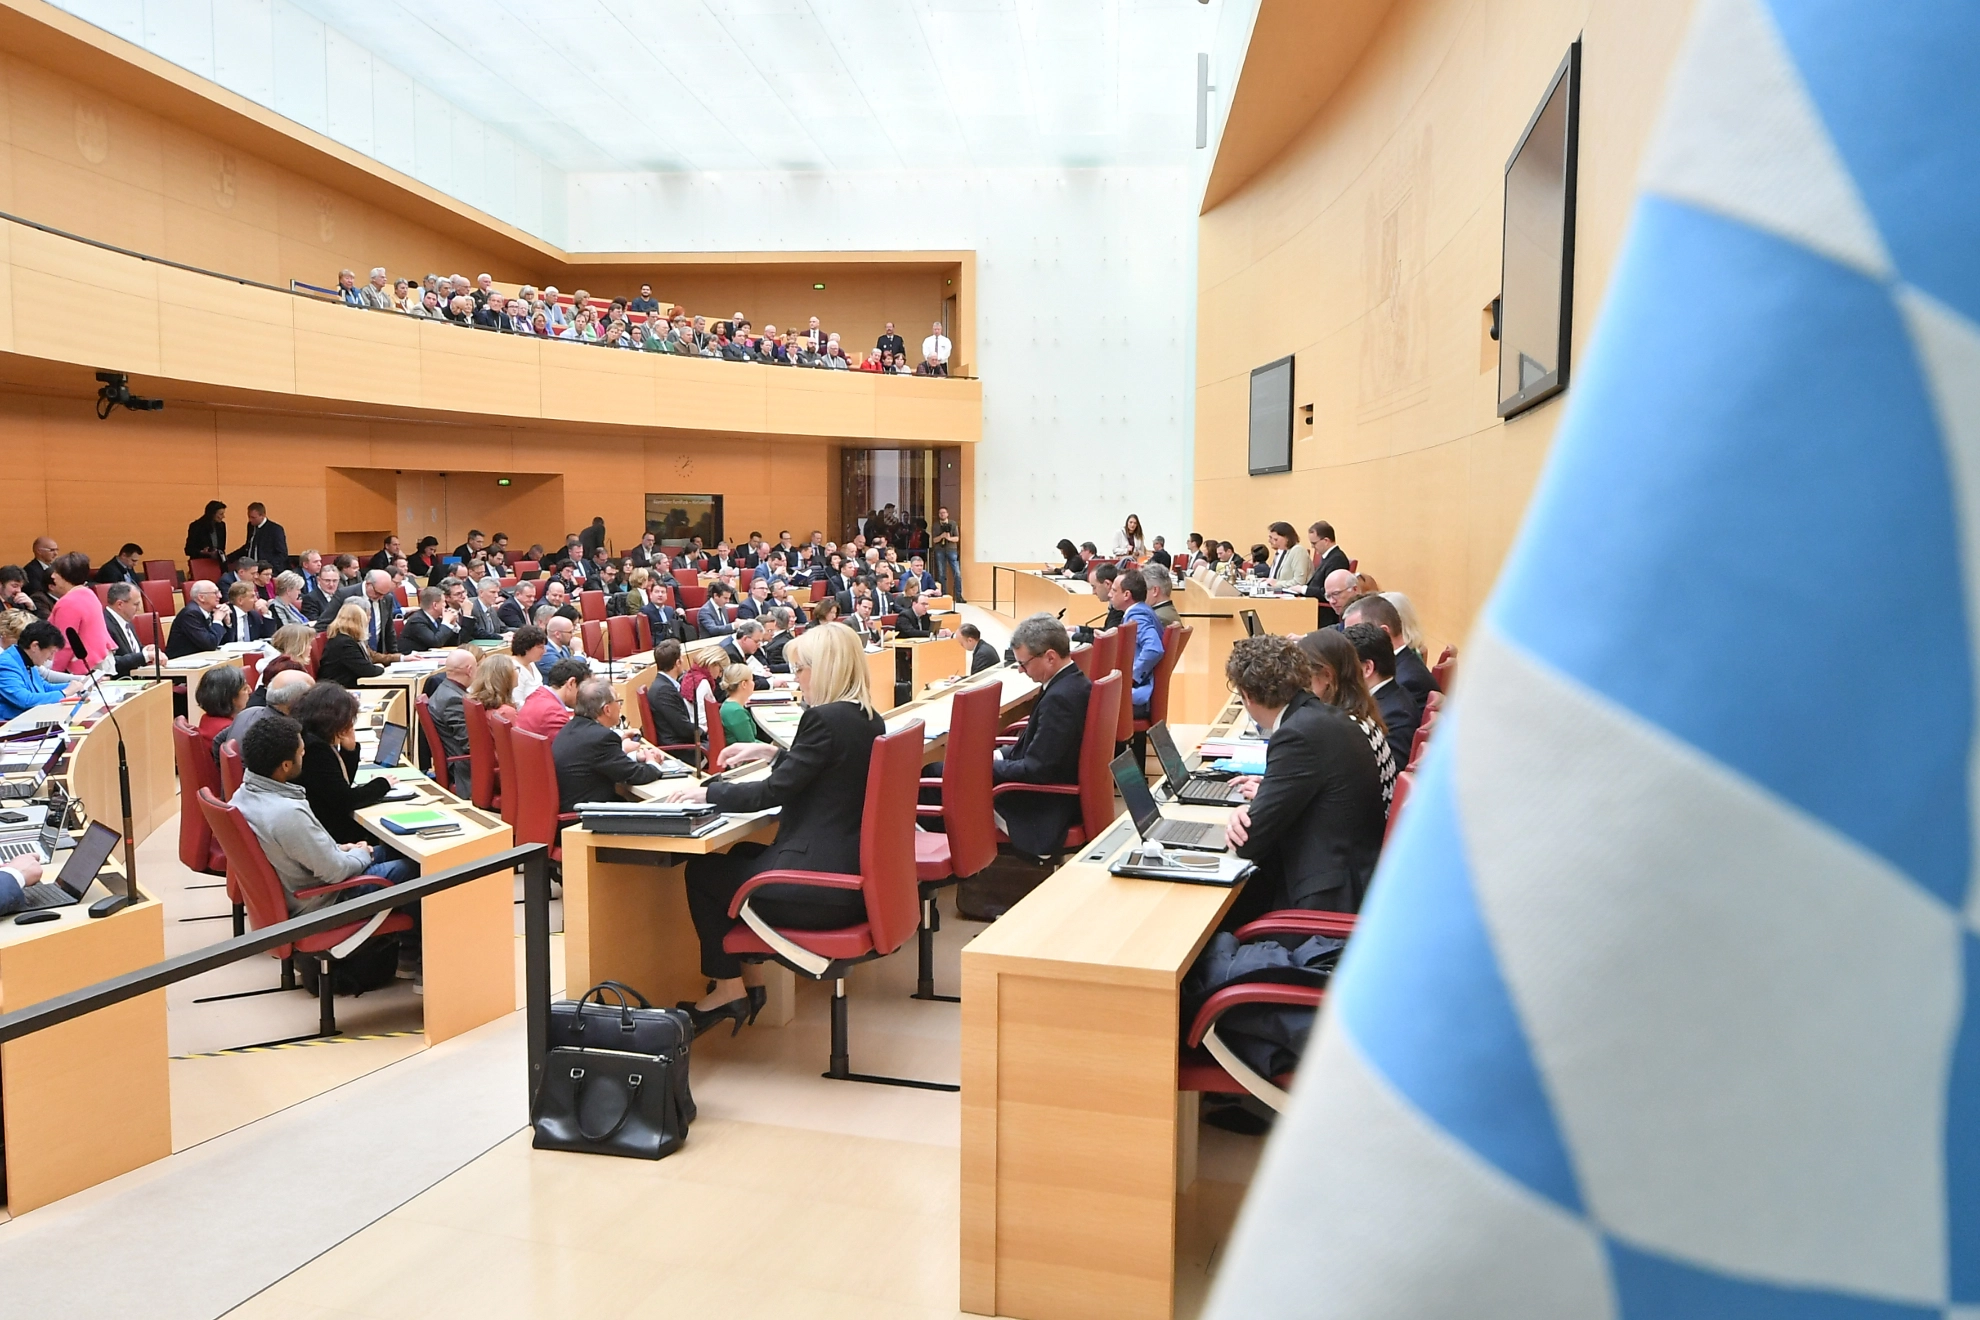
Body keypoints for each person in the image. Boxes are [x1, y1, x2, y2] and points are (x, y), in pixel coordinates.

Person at [665, 625, 887, 1035]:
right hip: (848, 876)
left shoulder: (822, 718)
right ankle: (751, 982)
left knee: (702, 872)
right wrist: (772, 751)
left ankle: (729, 988)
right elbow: (824, 770)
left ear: (824, 669)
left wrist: (708, 792)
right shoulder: (867, 718)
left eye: (800, 669)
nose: (797, 678)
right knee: (738, 854)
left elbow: (772, 793)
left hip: (817, 890)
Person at [1220, 636, 1385, 918]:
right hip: (1355, 881)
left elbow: (1249, 841)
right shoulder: (1328, 717)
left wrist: (1243, 814)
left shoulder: (1297, 735)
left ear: (1246, 695)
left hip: (1324, 904)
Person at [232, 714, 417, 920]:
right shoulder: (286, 814)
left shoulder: (242, 795)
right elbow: (336, 872)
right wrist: (363, 853)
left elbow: (301, 851)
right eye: (301, 753)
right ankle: (414, 947)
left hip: (310, 881)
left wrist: (341, 849)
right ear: (286, 765)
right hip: (326, 899)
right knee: (417, 868)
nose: (304, 756)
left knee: (401, 851)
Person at [992, 614, 1093, 858]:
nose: (1020, 670)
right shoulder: (1071, 683)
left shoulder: (1060, 699)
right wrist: (997, 755)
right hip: (1051, 790)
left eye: (1024, 663)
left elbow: (1037, 769)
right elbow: (1037, 746)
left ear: (1050, 657)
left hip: (1042, 803)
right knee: (940, 771)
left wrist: (985, 767)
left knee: (935, 777)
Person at [1297, 628, 1398, 807]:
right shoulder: (1361, 716)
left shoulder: (1341, 729)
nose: (1300, 687)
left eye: (1305, 678)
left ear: (1327, 676)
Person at [551, 677, 666, 812]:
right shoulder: (601, 738)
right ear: (607, 709)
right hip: (585, 816)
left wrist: (635, 757)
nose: (620, 706)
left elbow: (603, 762)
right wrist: (653, 763)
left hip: (576, 806)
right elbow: (636, 775)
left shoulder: (571, 727)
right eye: (618, 702)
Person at [1344, 622, 1419, 771]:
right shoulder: (1391, 696)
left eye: (1345, 665)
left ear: (1367, 668)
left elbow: (1391, 772)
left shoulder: (1395, 714)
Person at [1342, 594, 1439, 707]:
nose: (1348, 640)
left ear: (1384, 632)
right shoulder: (1401, 664)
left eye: (1357, 632)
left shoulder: (1407, 681)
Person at [217, 668, 312, 767]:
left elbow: (218, 743)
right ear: (296, 703)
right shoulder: (282, 734)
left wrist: (228, 775)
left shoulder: (247, 712)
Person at [44, 552, 111, 674]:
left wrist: (54, 673)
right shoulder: (89, 593)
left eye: (56, 572)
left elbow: (65, 643)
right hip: (99, 661)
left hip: (83, 668)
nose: (52, 576)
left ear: (66, 576)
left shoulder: (68, 602)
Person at [1112, 570, 1165, 717]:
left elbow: (1154, 649)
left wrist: (1132, 677)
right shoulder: (1143, 610)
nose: (1110, 594)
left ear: (1127, 595)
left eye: (1114, 590)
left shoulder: (1137, 615)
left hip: (1138, 697)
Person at [0, 620, 79, 719]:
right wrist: (64, 692)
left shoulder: (26, 659)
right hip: (10, 726)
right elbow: (25, 700)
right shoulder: (6, 664)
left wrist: (76, 685)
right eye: (51, 652)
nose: (51, 658)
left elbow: (43, 687)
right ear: (35, 646)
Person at [425, 649, 477, 795]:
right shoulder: (453, 700)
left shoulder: (447, 690)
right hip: (466, 771)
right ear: (469, 670)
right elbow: (471, 745)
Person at [643, 640, 698, 749]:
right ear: (677, 663)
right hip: (679, 748)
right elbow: (683, 729)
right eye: (681, 658)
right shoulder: (663, 691)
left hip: (680, 741)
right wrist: (704, 731)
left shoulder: (663, 685)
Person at [516, 657, 588, 740]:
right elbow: (572, 747)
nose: (586, 695)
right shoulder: (553, 713)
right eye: (584, 688)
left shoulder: (537, 694)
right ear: (571, 683)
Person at [318, 601, 385, 688]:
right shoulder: (345, 644)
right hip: (337, 690)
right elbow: (368, 670)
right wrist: (381, 667)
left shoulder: (342, 639)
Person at [100, 583, 159, 676]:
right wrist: (144, 656)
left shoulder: (126, 620)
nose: (139, 608)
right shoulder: (103, 624)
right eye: (136, 604)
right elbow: (110, 663)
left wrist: (145, 650)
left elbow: (132, 651)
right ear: (120, 604)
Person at [167, 580, 230, 659]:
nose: (220, 596)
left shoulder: (210, 611)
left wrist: (227, 622)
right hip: (182, 662)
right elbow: (210, 644)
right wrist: (217, 620)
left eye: (219, 592)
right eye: (215, 593)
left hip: (201, 658)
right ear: (201, 597)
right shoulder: (190, 614)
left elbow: (226, 642)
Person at [1304, 521, 1351, 610]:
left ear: (1326, 541)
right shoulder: (1328, 557)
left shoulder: (1337, 559)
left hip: (1324, 611)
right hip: (1314, 605)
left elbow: (1330, 593)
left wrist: (1303, 590)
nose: (1312, 547)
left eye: (1314, 543)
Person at [193, 664, 248, 740]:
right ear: (230, 696)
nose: (250, 691)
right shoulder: (228, 730)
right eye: (245, 689)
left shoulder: (206, 718)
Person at [400, 586, 463, 652]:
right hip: (413, 659)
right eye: (444, 602)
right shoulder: (416, 621)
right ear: (435, 605)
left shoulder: (438, 619)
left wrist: (452, 624)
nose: (445, 605)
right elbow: (435, 643)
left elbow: (451, 644)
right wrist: (446, 622)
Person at [232, 502, 288, 571]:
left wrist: (268, 566)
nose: (250, 520)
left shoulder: (275, 529)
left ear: (263, 515)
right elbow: (249, 546)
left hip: (267, 569)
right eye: (249, 517)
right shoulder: (251, 526)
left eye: (253, 517)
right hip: (251, 568)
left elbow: (282, 553)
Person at [467, 653, 520, 722]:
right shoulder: (506, 713)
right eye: (515, 669)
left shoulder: (477, 700)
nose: (518, 673)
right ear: (506, 676)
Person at [717, 665, 759, 746]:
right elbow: (750, 745)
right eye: (752, 680)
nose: (754, 683)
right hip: (741, 755)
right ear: (744, 684)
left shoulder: (728, 705)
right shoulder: (736, 712)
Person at [1262, 521, 1311, 586]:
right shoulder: (1285, 552)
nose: (1272, 542)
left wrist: (1276, 583)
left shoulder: (1298, 551)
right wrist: (1269, 581)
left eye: (1276, 539)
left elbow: (1299, 582)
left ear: (1287, 538)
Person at [1142, 562, 1180, 629]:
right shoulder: (1167, 612)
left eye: (1142, 589)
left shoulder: (1158, 619)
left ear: (1155, 591)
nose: (1139, 593)